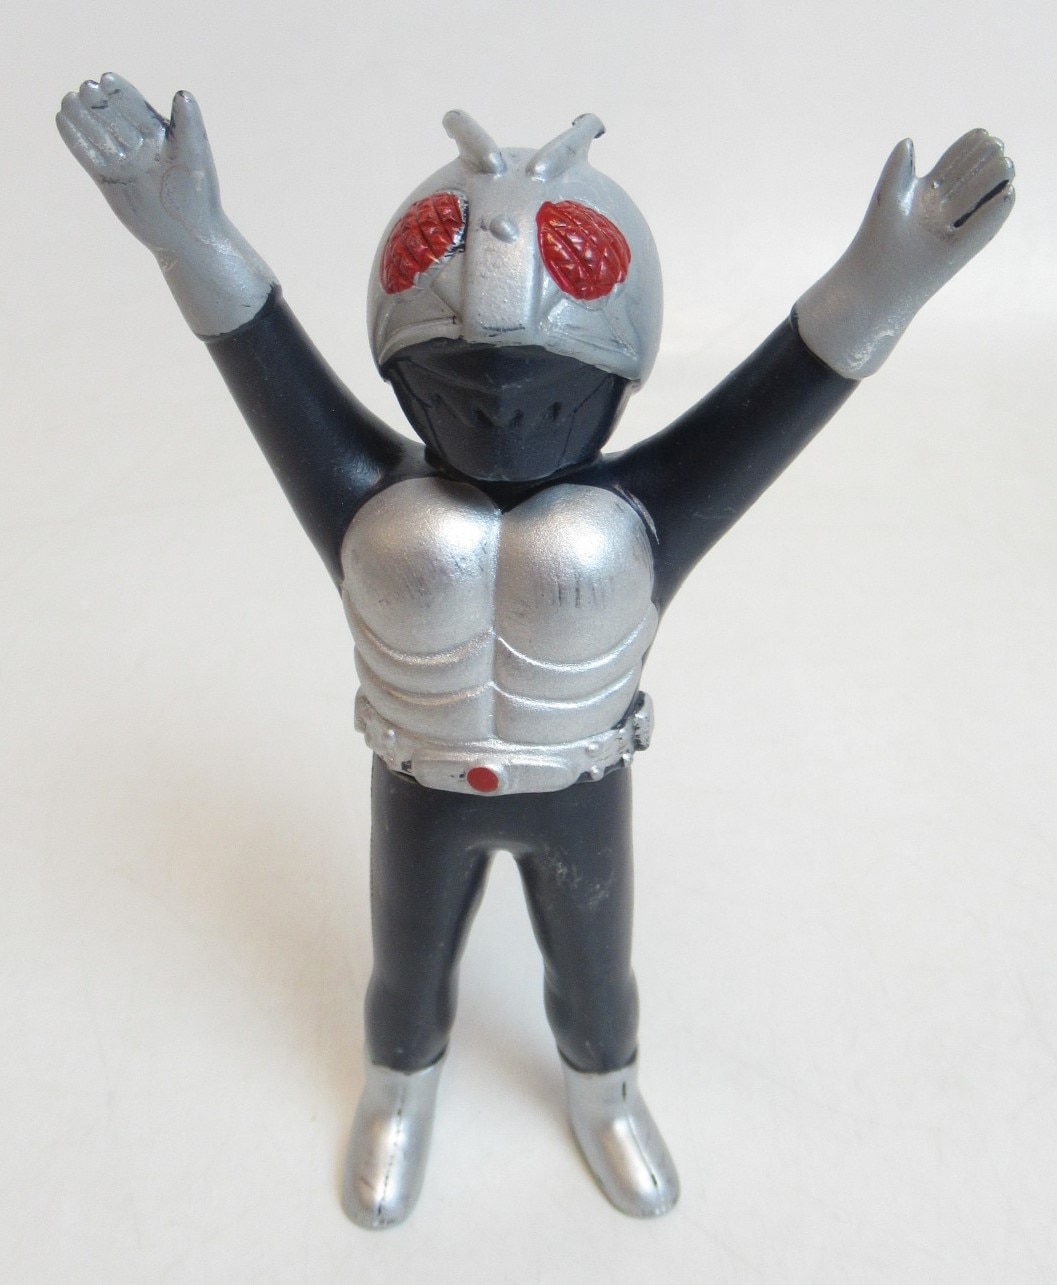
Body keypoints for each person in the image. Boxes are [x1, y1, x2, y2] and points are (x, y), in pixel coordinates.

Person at [58, 75, 1015, 1226]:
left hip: (578, 786)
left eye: (546, 394)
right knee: (406, 969)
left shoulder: (626, 518)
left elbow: (771, 403)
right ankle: (396, 1092)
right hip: (420, 781)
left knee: (596, 974)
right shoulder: (380, 505)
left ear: (613, 378)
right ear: (403, 373)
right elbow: (267, 364)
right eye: (461, 389)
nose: (506, 417)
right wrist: (191, 239)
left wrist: (883, 285)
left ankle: (606, 1094)